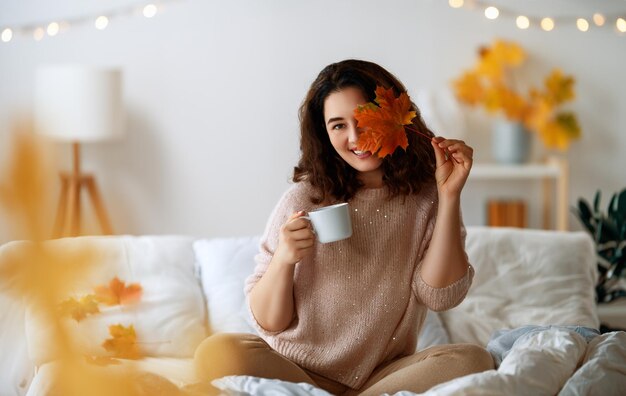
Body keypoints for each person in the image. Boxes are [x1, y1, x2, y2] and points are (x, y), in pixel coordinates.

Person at [194, 59, 494, 395]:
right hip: (297, 370)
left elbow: (440, 296)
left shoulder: (428, 198)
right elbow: (269, 322)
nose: (355, 137)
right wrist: (284, 259)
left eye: (365, 120)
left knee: (472, 359)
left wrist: (449, 195)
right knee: (216, 352)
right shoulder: (303, 198)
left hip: (383, 376)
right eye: (338, 126)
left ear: (393, 116)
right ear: (324, 134)